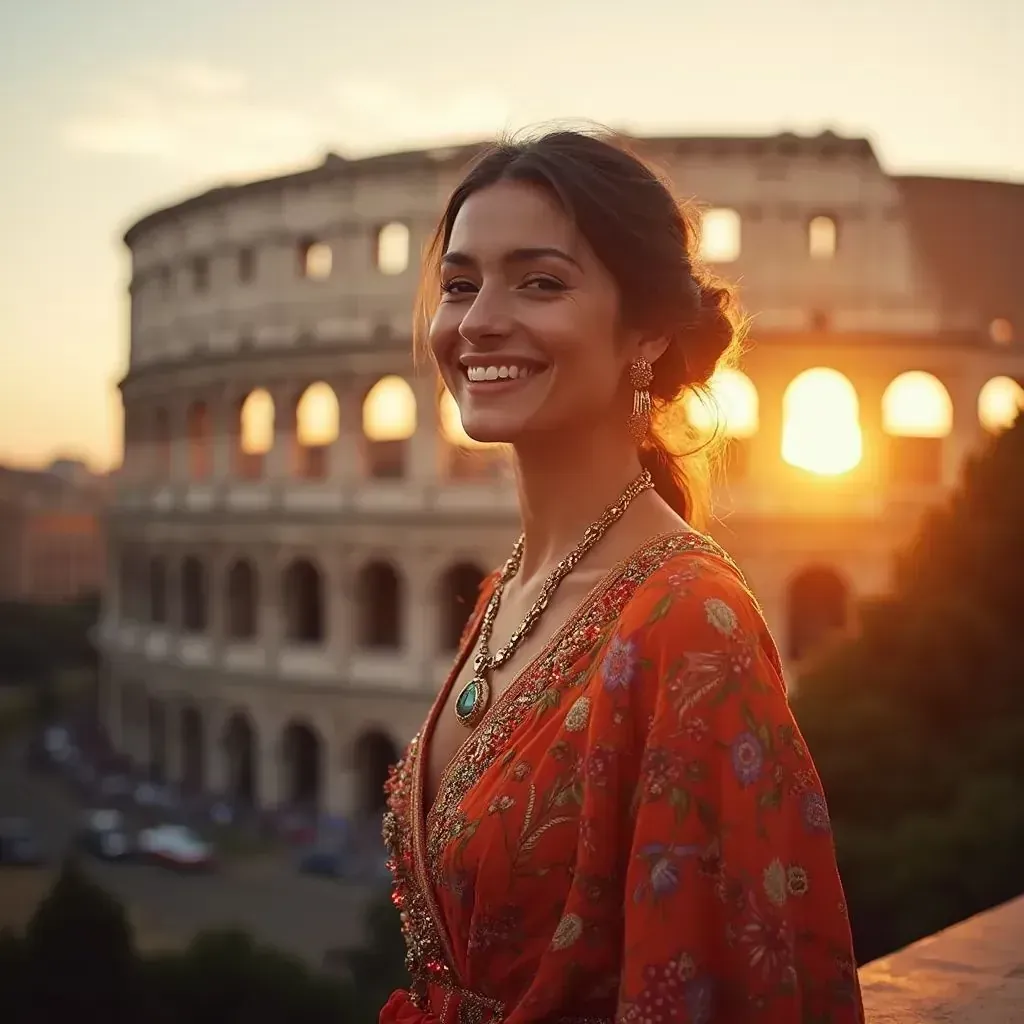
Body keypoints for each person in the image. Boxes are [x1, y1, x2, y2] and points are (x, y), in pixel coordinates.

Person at [380, 129, 864, 1024]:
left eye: (541, 282)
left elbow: (717, 984)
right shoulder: (509, 592)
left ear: (646, 334)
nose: (479, 319)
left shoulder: (690, 622)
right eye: (459, 283)